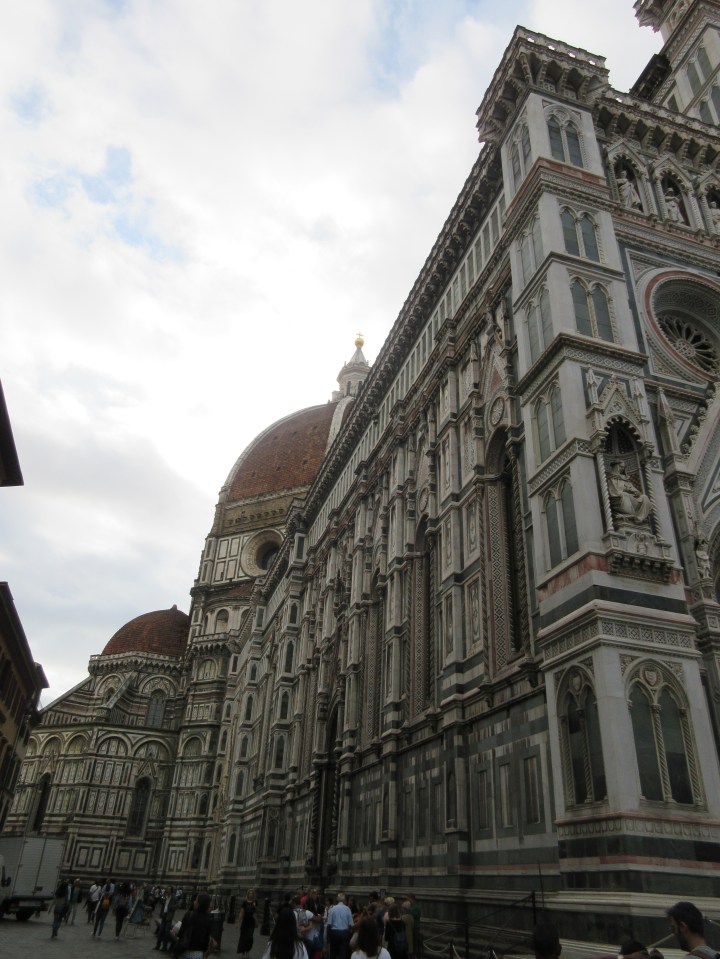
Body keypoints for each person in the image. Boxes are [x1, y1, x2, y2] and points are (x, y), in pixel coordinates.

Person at [175, 891, 217, 959]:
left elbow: (181, 933)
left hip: (185, 950)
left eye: (196, 900)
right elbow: (207, 938)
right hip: (199, 954)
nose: (194, 901)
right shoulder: (209, 919)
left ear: (198, 903)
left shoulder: (189, 915)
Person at [328, 893, 354, 959]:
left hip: (334, 932)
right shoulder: (347, 909)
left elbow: (329, 924)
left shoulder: (332, 909)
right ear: (345, 900)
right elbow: (351, 924)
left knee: (333, 952)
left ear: (337, 899)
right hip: (344, 933)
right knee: (343, 953)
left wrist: (328, 936)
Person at [236, 887, 258, 957]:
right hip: (245, 922)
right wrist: (238, 922)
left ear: (253, 895)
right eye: (250, 893)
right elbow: (242, 913)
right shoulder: (244, 903)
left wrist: (257, 921)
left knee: (249, 937)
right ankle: (243, 952)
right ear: (247, 894)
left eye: (252, 893)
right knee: (243, 937)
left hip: (251, 923)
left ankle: (248, 950)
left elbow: (256, 913)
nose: (251, 894)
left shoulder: (255, 902)